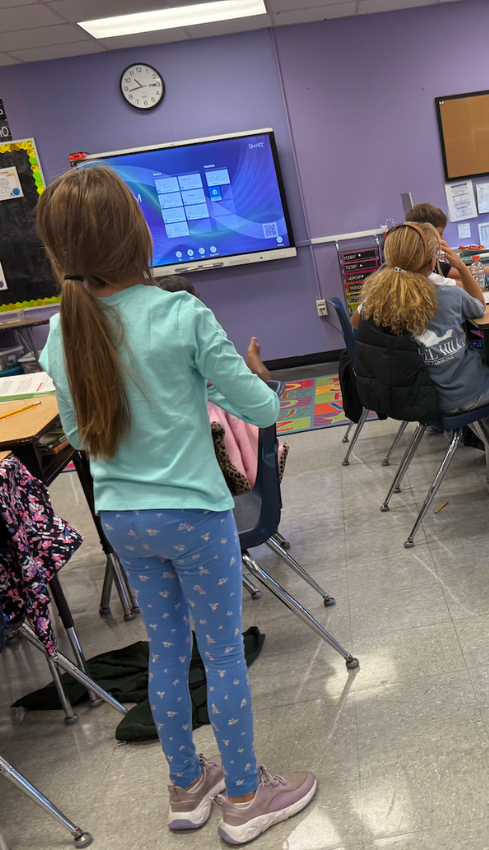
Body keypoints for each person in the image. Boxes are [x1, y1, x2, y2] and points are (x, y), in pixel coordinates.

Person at [36, 166, 316, 846]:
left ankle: (186, 787)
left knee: (167, 652)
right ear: (137, 233)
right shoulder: (181, 315)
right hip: (193, 516)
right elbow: (262, 409)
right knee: (220, 657)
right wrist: (251, 379)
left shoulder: (60, 331)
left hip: (122, 520)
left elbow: (79, 439)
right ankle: (245, 797)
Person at [359, 222, 489, 464]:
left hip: (426, 399)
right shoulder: (450, 295)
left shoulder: (380, 304)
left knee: (470, 378)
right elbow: (480, 307)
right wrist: (461, 266)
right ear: (432, 262)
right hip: (465, 393)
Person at [159, 275, 272, 382]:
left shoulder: (158, 345)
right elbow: (260, 382)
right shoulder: (207, 340)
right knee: (266, 382)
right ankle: (252, 355)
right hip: (219, 389)